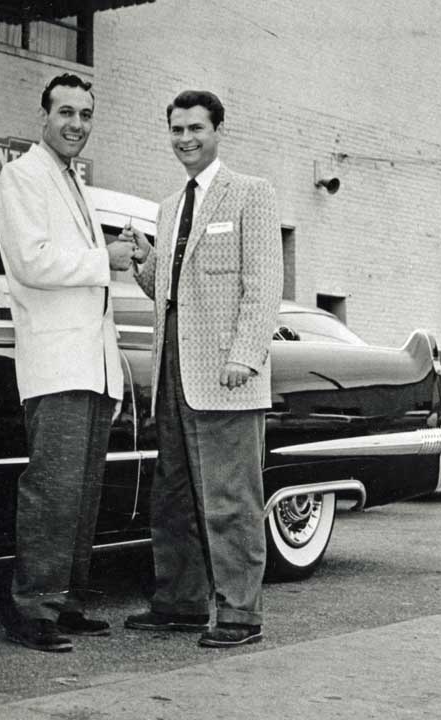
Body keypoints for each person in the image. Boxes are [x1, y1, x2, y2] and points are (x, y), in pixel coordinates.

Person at [124, 90, 282, 648]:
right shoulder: (168, 208)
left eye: (195, 128)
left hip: (226, 376)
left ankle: (240, 614)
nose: (185, 139)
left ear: (219, 130)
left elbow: (263, 285)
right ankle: (180, 603)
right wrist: (147, 261)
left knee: (229, 499)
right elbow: (167, 296)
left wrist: (244, 354)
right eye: (176, 130)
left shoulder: (250, 195)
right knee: (173, 496)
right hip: (174, 373)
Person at [0, 73, 135, 653]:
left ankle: (67, 601)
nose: (76, 124)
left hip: (91, 364)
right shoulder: (21, 176)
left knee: (82, 491)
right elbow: (33, 262)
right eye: (66, 113)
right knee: (52, 488)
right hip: (56, 363)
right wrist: (108, 257)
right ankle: (32, 608)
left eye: (85, 115)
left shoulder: (72, 181)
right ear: (43, 118)